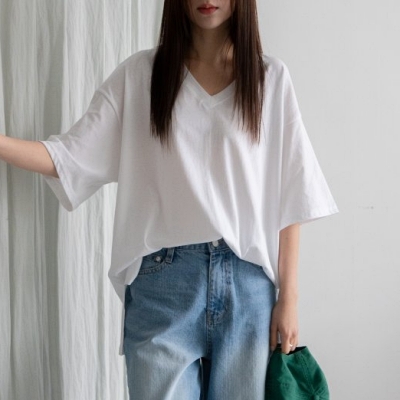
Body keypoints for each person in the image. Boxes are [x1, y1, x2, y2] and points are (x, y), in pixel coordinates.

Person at [0, 0, 339, 399]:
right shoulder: (141, 75)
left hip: (248, 290)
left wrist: (289, 297)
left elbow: (292, 194)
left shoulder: (269, 78)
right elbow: (69, 157)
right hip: (163, 287)